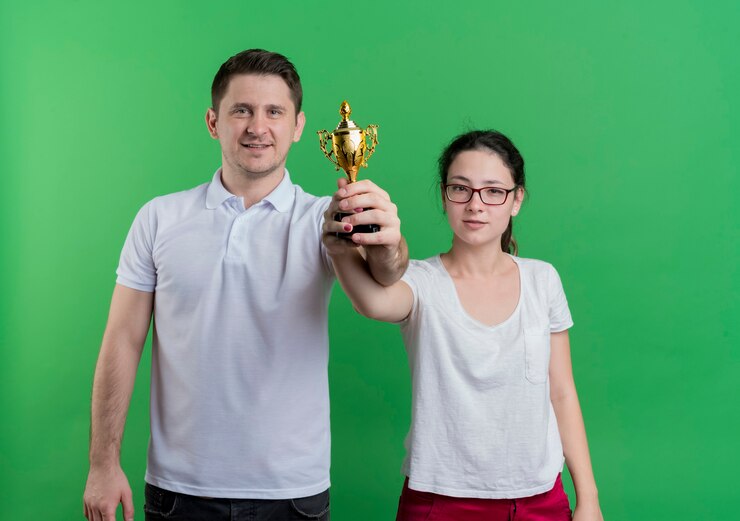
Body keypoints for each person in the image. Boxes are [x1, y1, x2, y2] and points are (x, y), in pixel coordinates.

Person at [83, 49, 408, 521]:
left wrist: (389, 242)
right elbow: (122, 341)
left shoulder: (323, 219)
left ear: (298, 127)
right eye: (242, 110)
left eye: (274, 112)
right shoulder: (158, 218)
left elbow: (386, 275)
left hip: (293, 492)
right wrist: (102, 463)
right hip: (178, 490)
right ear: (213, 122)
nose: (258, 127)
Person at [323, 130, 603, 520]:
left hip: (538, 499)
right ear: (444, 196)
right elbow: (373, 301)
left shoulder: (543, 280)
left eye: (493, 191)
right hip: (440, 500)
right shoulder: (421, 282)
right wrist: (340, 247)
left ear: (517, 199)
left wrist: (589, 498)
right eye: (461, 189)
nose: (475, 205)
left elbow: (562, 392)